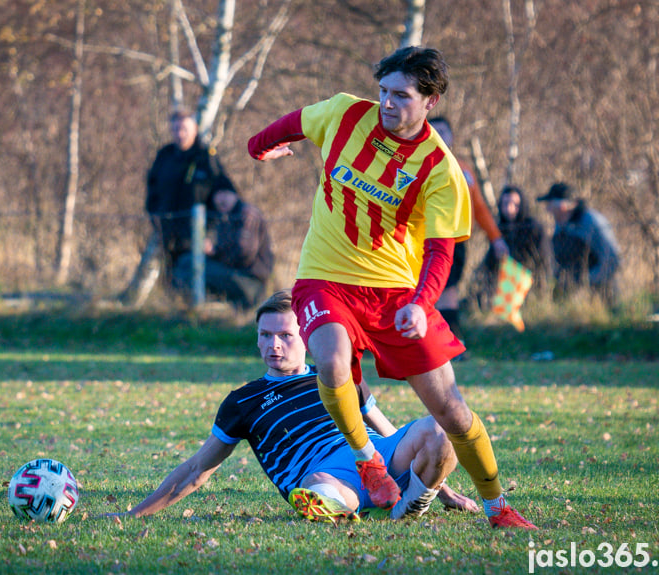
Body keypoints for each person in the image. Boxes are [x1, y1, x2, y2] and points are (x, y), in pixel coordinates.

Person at [248, 46, 536, 529]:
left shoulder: (441, 171)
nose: (386, 103)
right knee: (334, 362)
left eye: (400, 95)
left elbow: (441, 253)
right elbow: (287, 124)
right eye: (382, 91)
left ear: (431, 101)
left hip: (396, 296)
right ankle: (368, 463)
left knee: (453, 412)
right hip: (326, 278)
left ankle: (497, 508)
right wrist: (260, 147)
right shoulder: (343, 113)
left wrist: (422, 305)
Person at [121, 289, 479, 522]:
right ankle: (348, 506)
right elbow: (198, 468)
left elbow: (383, 424)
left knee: (439, 431)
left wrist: (443, 488)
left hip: (378, 455)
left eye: (285, 335)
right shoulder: (243, 401)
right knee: (317, 492)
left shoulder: (338, 372)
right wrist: (135, 513)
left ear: (306, 337)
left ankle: (409, 505)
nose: (274, 345)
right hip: (327, 474)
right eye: (265, 335)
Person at [119, 108, 226, 306]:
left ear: (194, 129)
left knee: (192, 276)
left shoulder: (206, 157)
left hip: (197, 235)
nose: (180, 134)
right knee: (168, 277)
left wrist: (210, 234)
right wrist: (155, 217)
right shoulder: (165, 155)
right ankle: (171, 311)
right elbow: (152, 190)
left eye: (184, 129)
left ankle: (196, 312)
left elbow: (223, 196)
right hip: (166, 232)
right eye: (176, 129)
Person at [427, 117, 509, 345]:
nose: (440, 134)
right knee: (437, 292)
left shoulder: (463, 168)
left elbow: (480, 207)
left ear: (452, 136)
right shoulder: (421, 163)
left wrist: (496, 238)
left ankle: (448, 342)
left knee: (450, 290)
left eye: (444, 130)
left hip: (458, 240)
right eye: (435, 130)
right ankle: (444, 343)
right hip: (428, 240)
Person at [172, 174, 274, 309]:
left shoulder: (247, 214)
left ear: (235, 194)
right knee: (186, 261)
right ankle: (193, 306)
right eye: (217, 195)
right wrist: (213, 251)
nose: (221, 199)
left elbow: (244, 255)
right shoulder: (225, 218)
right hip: (236, 276)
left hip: (250, 281)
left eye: (225, 193)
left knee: (190, 268)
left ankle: (195, 307)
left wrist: (215, 252)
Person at [537, 182, 620, 305]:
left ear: (563, 206)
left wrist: (586, 284)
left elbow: (612, 260)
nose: (547, 209)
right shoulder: (560, 225)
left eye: (550, 204)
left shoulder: (592, 222)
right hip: (569, 298)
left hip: (601, 297)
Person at [474, 185, 553, 309]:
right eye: (505, 204)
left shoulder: (533, 229)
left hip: (529, 286)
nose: (509, 209)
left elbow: (544, 262)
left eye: (515, 204)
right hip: (501, 288)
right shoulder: (498, 231)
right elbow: (489, 265)